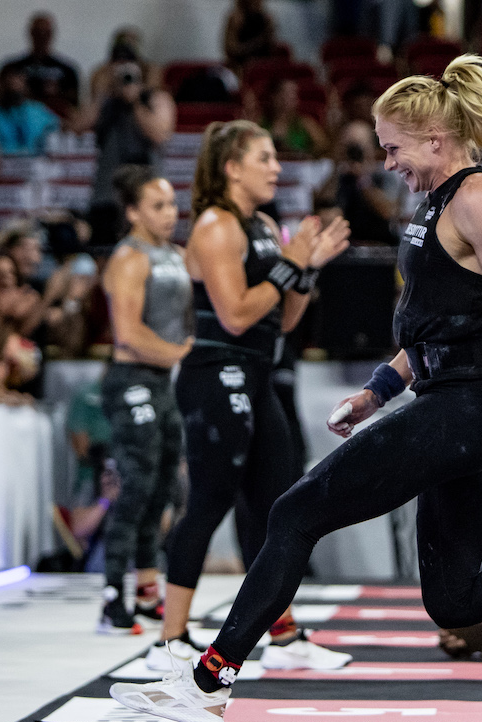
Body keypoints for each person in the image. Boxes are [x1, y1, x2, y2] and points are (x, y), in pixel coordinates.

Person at [110, 56, 482, 722]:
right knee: (455, 601)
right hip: (457, 407)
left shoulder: (481, 199)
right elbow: (440, 323)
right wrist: (378, 391)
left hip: (470, 410)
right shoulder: (441, 202)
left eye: (393, 147)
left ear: (434, 138)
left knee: (293, 514)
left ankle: (210, 678)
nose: (388, 162)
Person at [124, 119, 351, 673]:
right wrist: (291, 264)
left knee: (276, 505)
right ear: (231, 167)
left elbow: (283, 317)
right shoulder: (215, 226)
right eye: (265, 158)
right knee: (210, 499)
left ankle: (285, 632)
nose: (276, 168)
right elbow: (236, 312)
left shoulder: (267, 226)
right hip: (214, 372)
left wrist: (307, 273)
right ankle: (170, 637)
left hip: (256, 371)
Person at [95, 165, 194, 634]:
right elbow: (129, 333)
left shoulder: (174, 253)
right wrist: (182, 354)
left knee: (163, 487)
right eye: (157, 205)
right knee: (135, 486)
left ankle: (149, 589)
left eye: (172, 204)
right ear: (133, 212)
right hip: (131, 375)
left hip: (160, 378)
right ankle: (114, 597)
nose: (170, 213)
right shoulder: (130, 258)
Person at [79, 60, 176, 246]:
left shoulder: (154, 99)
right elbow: (77, 127)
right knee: (103, 252)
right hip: (106, 193)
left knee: (149, 250)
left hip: (147, 192)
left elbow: (160, 135)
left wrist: (135, 102)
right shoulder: (106, 100)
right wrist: (104, 93)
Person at [314, 120, 402, 244]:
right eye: (349, 145)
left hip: (379, 244)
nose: (354, 151)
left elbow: (389, 212)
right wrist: (336, 168)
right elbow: (321, 206)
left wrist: (363, 179)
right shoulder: (335, 174)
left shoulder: (384, 173)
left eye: (359, 145)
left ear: (371, 147)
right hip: (343, 244)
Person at [1, 12, 81, 119]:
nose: (42, 37)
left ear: (51, 35)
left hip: (58, 121)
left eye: (46, 33)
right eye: (38, 33)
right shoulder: (13, 68)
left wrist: (57, 94)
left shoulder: (67, 70)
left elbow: (75, 104)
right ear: (31, 33)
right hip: (21, 120)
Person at [0, 64, 60, 156]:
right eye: (10, 81)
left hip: (34, 165)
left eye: (19, 80)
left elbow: (57, 130)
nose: (14, 84)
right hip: (0, 164)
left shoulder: (38, 112)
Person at [260, 78, 329, 159]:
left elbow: (323, 147)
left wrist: (303, 154)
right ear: (274, 96)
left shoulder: (305, 123)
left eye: (294, 94)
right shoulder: (261, 123)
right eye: (286, 94)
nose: (292, 97)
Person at [223, 0, 279, 72]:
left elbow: (271, 47)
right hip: (241, 66)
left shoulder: (266, 19)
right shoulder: (236, 19)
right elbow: (230, 50)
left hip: (263, 66)